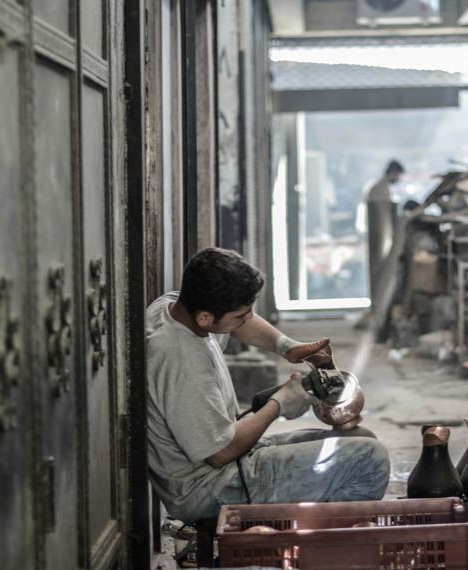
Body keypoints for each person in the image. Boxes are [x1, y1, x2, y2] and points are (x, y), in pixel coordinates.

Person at [147, 247, 391, 523]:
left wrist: (289, 347)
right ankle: (310, 550)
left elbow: (237, 323)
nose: (248, 319)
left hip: (230, 464)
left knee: (360, 440)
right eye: (241, 314)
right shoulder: (179, 360)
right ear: (205, 317)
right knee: (371, 460)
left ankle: (300, 531)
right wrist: (280, 404)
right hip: (210, 488)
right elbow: (220, 452)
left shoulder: (175, 307)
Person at [366, 159, 404, 307]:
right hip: (380, 238)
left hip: (382, 238)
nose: (398, 179)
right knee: (379, 271)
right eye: (398, 176)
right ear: (393, 173)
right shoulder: (379, 189)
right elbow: (383, 217)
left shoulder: (383, 188)